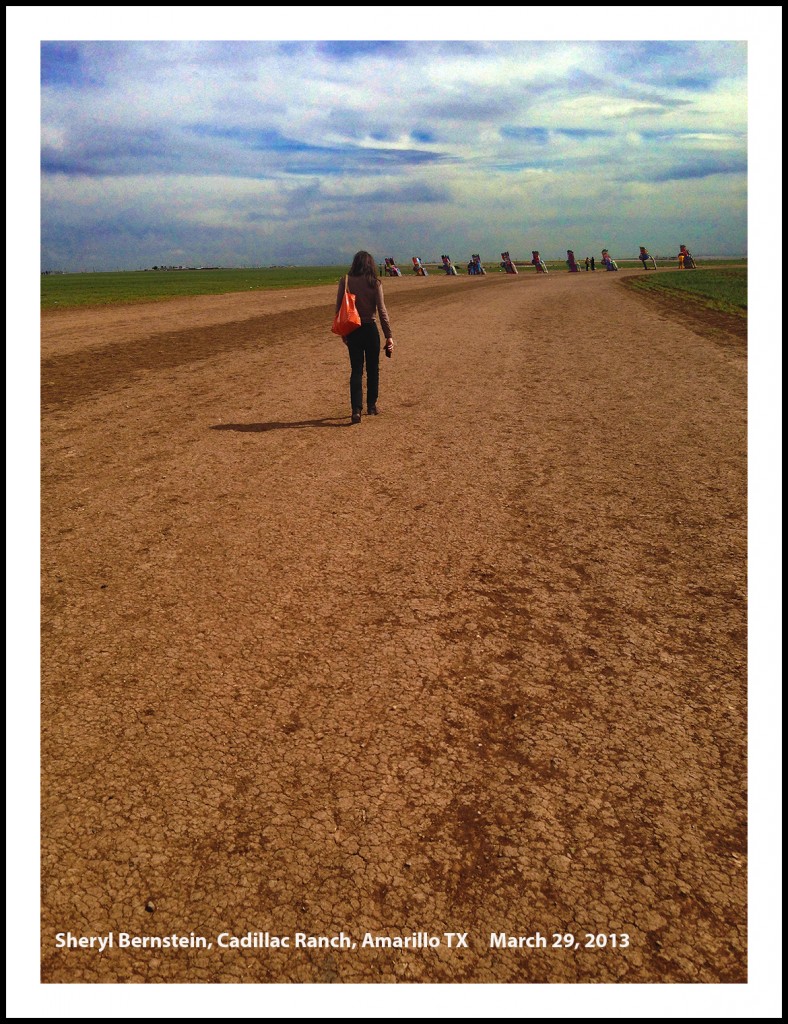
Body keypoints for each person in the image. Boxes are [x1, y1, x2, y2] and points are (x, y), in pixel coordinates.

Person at [335, 251, 394, 424]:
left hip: (353, 330)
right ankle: (371, 405)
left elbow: (339, 308)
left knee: (356, 370)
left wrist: (343, 332)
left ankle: (356, 410)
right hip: (370, 329)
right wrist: (388, 336)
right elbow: (382, 311)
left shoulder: (345, 281)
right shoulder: (375, 283)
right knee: (373, 369)